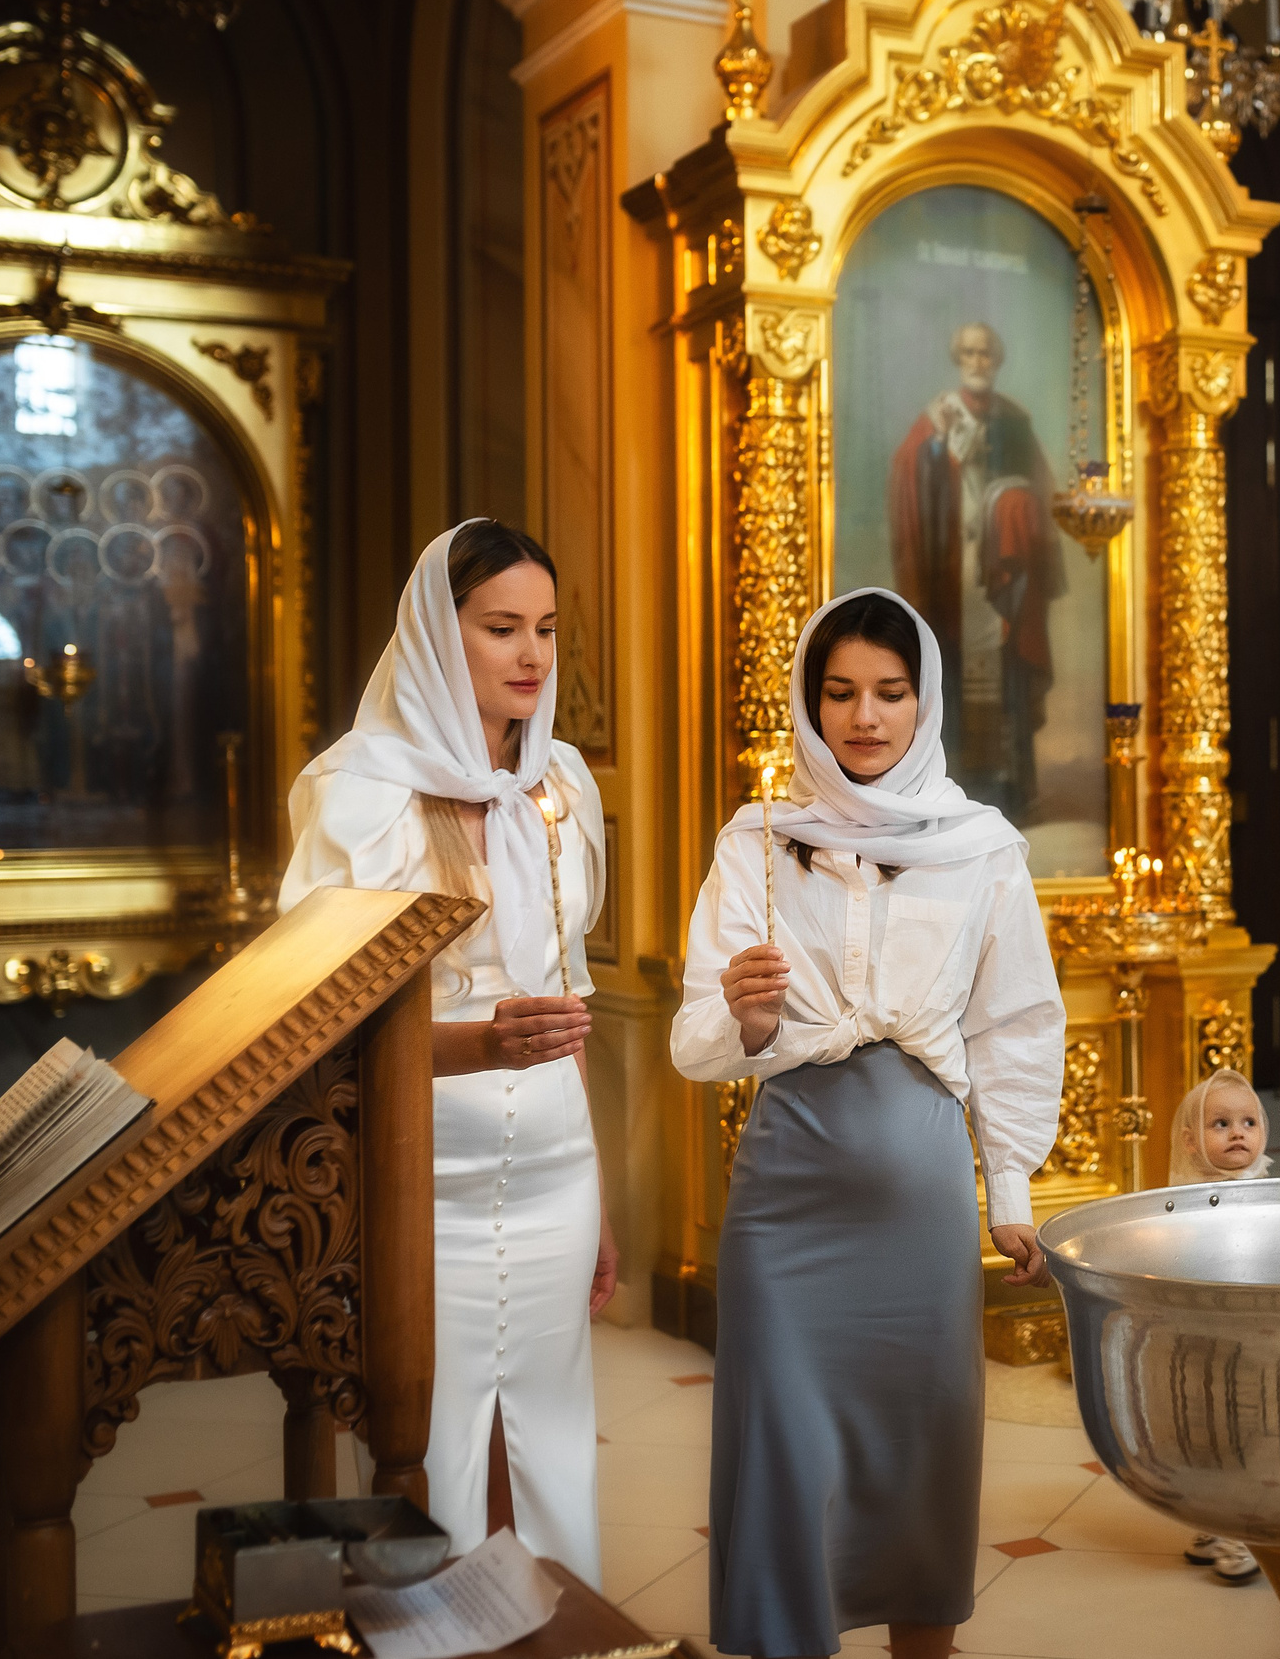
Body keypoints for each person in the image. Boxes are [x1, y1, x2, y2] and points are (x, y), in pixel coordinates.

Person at [672, 587, 1063, 1659]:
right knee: (782, 1450)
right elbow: (695, 1036)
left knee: (920, 1446)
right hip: (786, 1193)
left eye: (890, 692)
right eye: (839, 691)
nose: (865, 716)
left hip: (922, 1192)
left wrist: (1013, 1192)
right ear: (808, 703)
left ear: (924, 700)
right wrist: (746, 1019)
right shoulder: (757, 840)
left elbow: (1014, 1025)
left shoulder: (982, 847)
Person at [282, 519, 613, 1582]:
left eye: (549, 629)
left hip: (555, 1164)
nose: (532, 655)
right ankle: (440, 1632)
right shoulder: (359, 790)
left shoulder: (562, 784)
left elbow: (567, 1002)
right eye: (501, 626)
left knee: (551, 1425)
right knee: (434, 1431)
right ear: (436, 630)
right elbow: (321, 1027)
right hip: (423, 1169)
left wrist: (600, 1193)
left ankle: (555, 1630)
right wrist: (481, 1041)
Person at [886, 321, 1065, 817]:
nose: (976, 361)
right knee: (957, 673)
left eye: (985, 352)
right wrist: (938, 451)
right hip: (957, 572)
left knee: (1006, 674)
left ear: (997, 358)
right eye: (967, 352)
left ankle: (1008, 787)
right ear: (956, 357)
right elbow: (909, 474)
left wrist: (1015, 511)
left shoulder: (1014, 419)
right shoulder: (938, 415)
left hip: (1003, 575)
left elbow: (1040, 489)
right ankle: (957, 787)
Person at [1164, 1068, 1273, 1587]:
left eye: (1249, 1122)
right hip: (1199, 1336)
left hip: (1253, 1340)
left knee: (1245, 1430)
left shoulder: (1270, 1196)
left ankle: (1244, 1530)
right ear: (1190, 1140)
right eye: (1221, 1123)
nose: (1238, 1132)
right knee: (1202, 1431)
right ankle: (1212, 1520)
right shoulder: (1179, 1202)